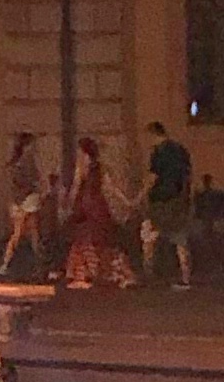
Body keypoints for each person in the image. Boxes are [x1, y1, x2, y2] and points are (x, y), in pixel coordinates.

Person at [57, 135, 135, 293]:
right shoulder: (100, 167)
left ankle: (84, 273)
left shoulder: (82, 167)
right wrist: (126, 201)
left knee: (83, 238)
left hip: (86, 205)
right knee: (102, 239)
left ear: (84, 152)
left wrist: (67, 204)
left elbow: (76, 187)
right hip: (98, 205)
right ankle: (109, 271)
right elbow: (111, 187)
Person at [142, 120, 196, 290]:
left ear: (153, 134)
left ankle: (148, 274)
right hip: (178, 200)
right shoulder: (180, 150)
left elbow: (153, 178)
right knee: (180, 239)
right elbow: (188, 176)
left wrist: (139, 197)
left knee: (149, 236)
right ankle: (185, 277)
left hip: (160, 201)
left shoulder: (158, 153)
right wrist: (187, 196)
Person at [0, 132, 52, 280]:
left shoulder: (18, 163)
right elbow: (28, 182)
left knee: (29, 233)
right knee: (26, 233)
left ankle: (10, 263)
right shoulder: (25, 163)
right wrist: (38, 188)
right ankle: (11, 263)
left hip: (22, 201)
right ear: (26, 146)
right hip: (27, 200)